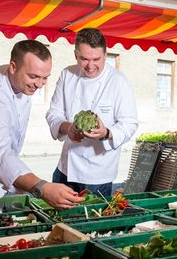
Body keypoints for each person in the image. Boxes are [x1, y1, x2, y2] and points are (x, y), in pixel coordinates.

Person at [0, 40, 84, 215]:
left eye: (44, 78)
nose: (40, 84)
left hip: (1, 188)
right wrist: (42, 187)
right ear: (13, 67)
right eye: (33, 77)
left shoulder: (17, 79)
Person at [46, 28, 138, 197]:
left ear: (105, 55)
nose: (90, 66)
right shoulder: (67, 74)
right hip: (65, 168)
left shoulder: (118, 82)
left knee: (91, 221)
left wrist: (106, 133)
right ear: (75, 55)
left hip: (97, 174)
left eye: (96, 59)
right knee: (58, 221)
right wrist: (68, 128)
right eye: (84, 59)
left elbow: (129, 123)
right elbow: (54, 113)